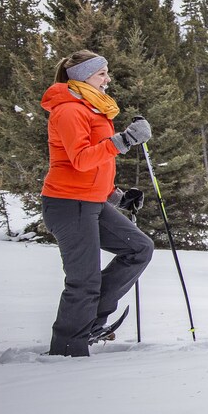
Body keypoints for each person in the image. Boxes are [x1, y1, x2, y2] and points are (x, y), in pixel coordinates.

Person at [41, 50, 154, 356]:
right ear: (82, 76)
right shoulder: (69, 110)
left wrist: (117, 196)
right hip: (67, 203)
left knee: (139, 249)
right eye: (102, 73)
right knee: (83, 281)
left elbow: (96, 165)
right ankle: (68, 350)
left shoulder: (90, 107)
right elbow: (80, 159)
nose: (108, 79)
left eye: (107, 72)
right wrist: (126, 140)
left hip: (91, 201)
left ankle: (89, 322)